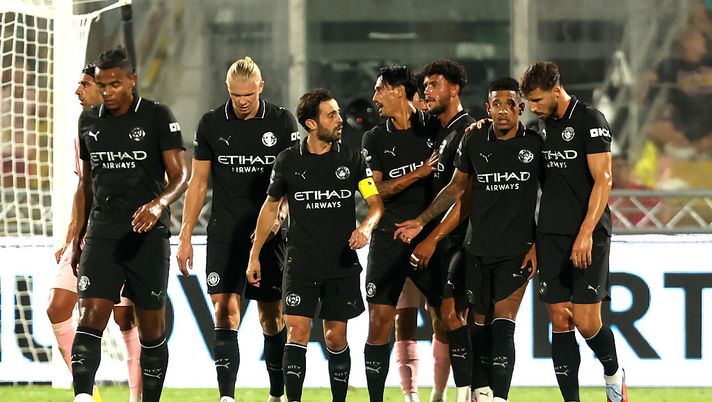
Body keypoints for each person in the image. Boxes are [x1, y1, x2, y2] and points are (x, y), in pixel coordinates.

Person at [397, 77, 541, 402]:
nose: (504, 110)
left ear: (520, 107)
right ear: (488, 109)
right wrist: (422, 223)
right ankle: (476, 392)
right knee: (474, 324)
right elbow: (456, 189)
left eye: (510, 104)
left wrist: (539, 244)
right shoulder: (474, 140)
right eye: (497, 104)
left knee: (503, 324)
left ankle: (498, 398)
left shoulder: (535, 144)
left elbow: (554, 194)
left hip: (516, 251)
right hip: (476, 249)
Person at [248, 88, 383, 402]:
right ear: (310, 123)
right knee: (296, 333)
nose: (340, 120)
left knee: (336, 338)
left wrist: (365, 226)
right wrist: (254, 255)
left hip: (340, 264)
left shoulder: (352, 158)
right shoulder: (288, 161)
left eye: (338, 112)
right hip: (301, 263)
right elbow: (270, 207)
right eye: (331, 115)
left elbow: (375, 204)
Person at [69, 47, 189, 402]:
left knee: (151, 328)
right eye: (103, 85)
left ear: (132, 81)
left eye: (115, 84)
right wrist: (77, 239)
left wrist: (158, 204)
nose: (108, 92)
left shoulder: (156, 117)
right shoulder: (89, 121)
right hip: (103, 232)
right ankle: (83, 397)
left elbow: (181, 174)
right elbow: (86, 183)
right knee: (90, 315)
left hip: (147, 235)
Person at [176, 56, 298, 402]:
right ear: (228, 91)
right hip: (224, 231)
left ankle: (276, 395)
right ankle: (227, 397)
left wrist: (282, 212)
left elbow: (292, 179)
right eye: (235, 95)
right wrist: (185, 235)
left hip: (268, 235)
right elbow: (198, 184)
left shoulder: (281, 120)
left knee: (271, 317)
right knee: (224, 312)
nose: (242, 101)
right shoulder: (212, 123)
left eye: (248, 94)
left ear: (260, 87)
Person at [520, 61, 627, 402]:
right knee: (559, 319)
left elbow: (604, 180)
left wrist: (585, 233)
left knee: (584, 320)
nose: (533, 108)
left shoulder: (590, 121)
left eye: (537, 100)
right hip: (551, 234)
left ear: (556, 89)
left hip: (589, 234)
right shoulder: (541, 128)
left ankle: (613, 373)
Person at [48, 63, 142, 402]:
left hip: (125, 236)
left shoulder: (134, 127)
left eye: (84, 84)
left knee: (125, 318)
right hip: (89, 236)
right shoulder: (83, 131)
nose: (77, 90)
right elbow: (83, 189)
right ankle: (88, 391)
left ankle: (136, 396)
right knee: (58, 307)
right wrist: (72, 235)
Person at [395, 59, 479, 402]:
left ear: (454, 89)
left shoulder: (468, 130)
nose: (426, 91)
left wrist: (431, 237)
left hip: (460, 241)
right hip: (440, 240)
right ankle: (443, 395)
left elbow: (465, 197)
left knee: (456, 317)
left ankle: (469, 393)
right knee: (443, 319)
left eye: (434, 85)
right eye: (425, 86)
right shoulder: (441, 130)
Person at [361, 65, 441, 402]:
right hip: (388, 239)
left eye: (381, 89)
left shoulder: (435, 129)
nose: (375, 97)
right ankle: (391, 397)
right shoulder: (374, 138)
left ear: (400, 91)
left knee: (447, 318)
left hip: (432, 237)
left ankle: (444, 392)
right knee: (381, 320)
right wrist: (419, 173)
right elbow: (375, 190)